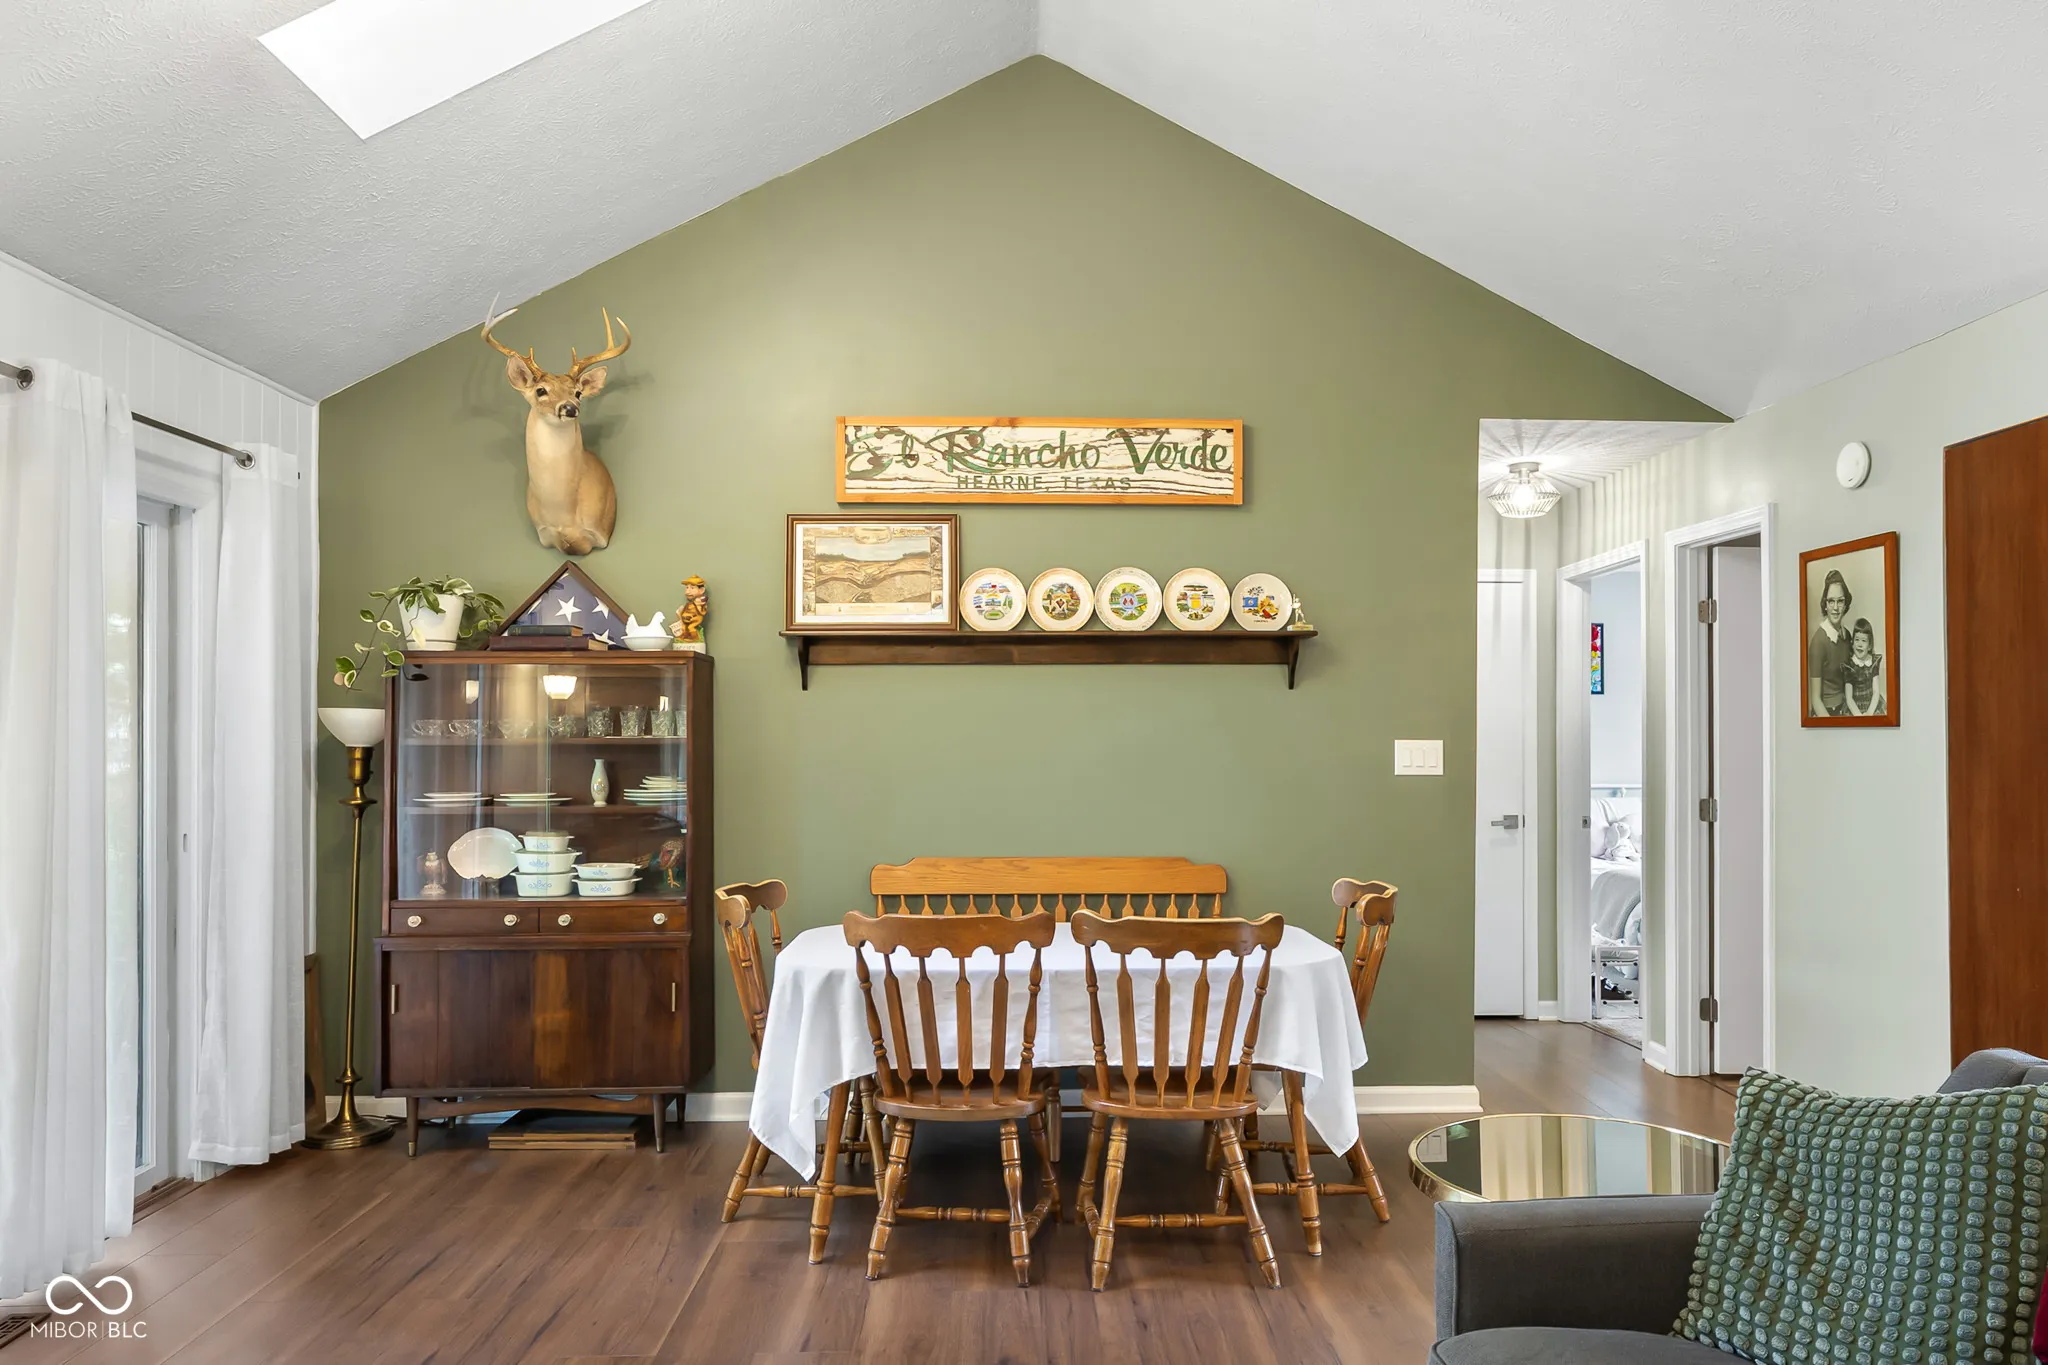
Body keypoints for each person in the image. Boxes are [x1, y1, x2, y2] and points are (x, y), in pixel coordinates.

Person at [1807, 568, 1854, 717]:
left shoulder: (1847, 636)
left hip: (1845, 707)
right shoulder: (1818, 642)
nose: (1835, 607)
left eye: (1840, 601)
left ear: (1845, 605)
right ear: (1825, 604)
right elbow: (1815, 700)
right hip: (1826, 714)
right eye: (1831, 601)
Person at [1842, 617, 1885, 716]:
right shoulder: (1849, 666)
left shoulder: (1873, 662)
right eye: (1857, 640)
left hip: (1871, 706)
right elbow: (1849, 698)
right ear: (1852, 643)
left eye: (1864, 641)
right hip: (1854, 709)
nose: (1859, 644)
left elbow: (1876, 692)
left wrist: (1869, 713)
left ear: (1869, 646)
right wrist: (1859, 717)